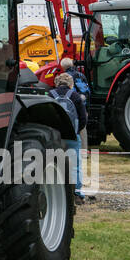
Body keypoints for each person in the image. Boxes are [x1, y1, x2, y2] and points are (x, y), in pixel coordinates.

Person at [51, 72, 88, 202]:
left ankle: (56, 194)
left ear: (57, 82)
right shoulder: (75, 96)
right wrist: (76, 131)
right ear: (71, 84)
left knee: (54, 165)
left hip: (55, 137)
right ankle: (76, 194)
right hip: (72, 136)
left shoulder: (50, 95)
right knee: (75, 166)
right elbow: (83, 118)